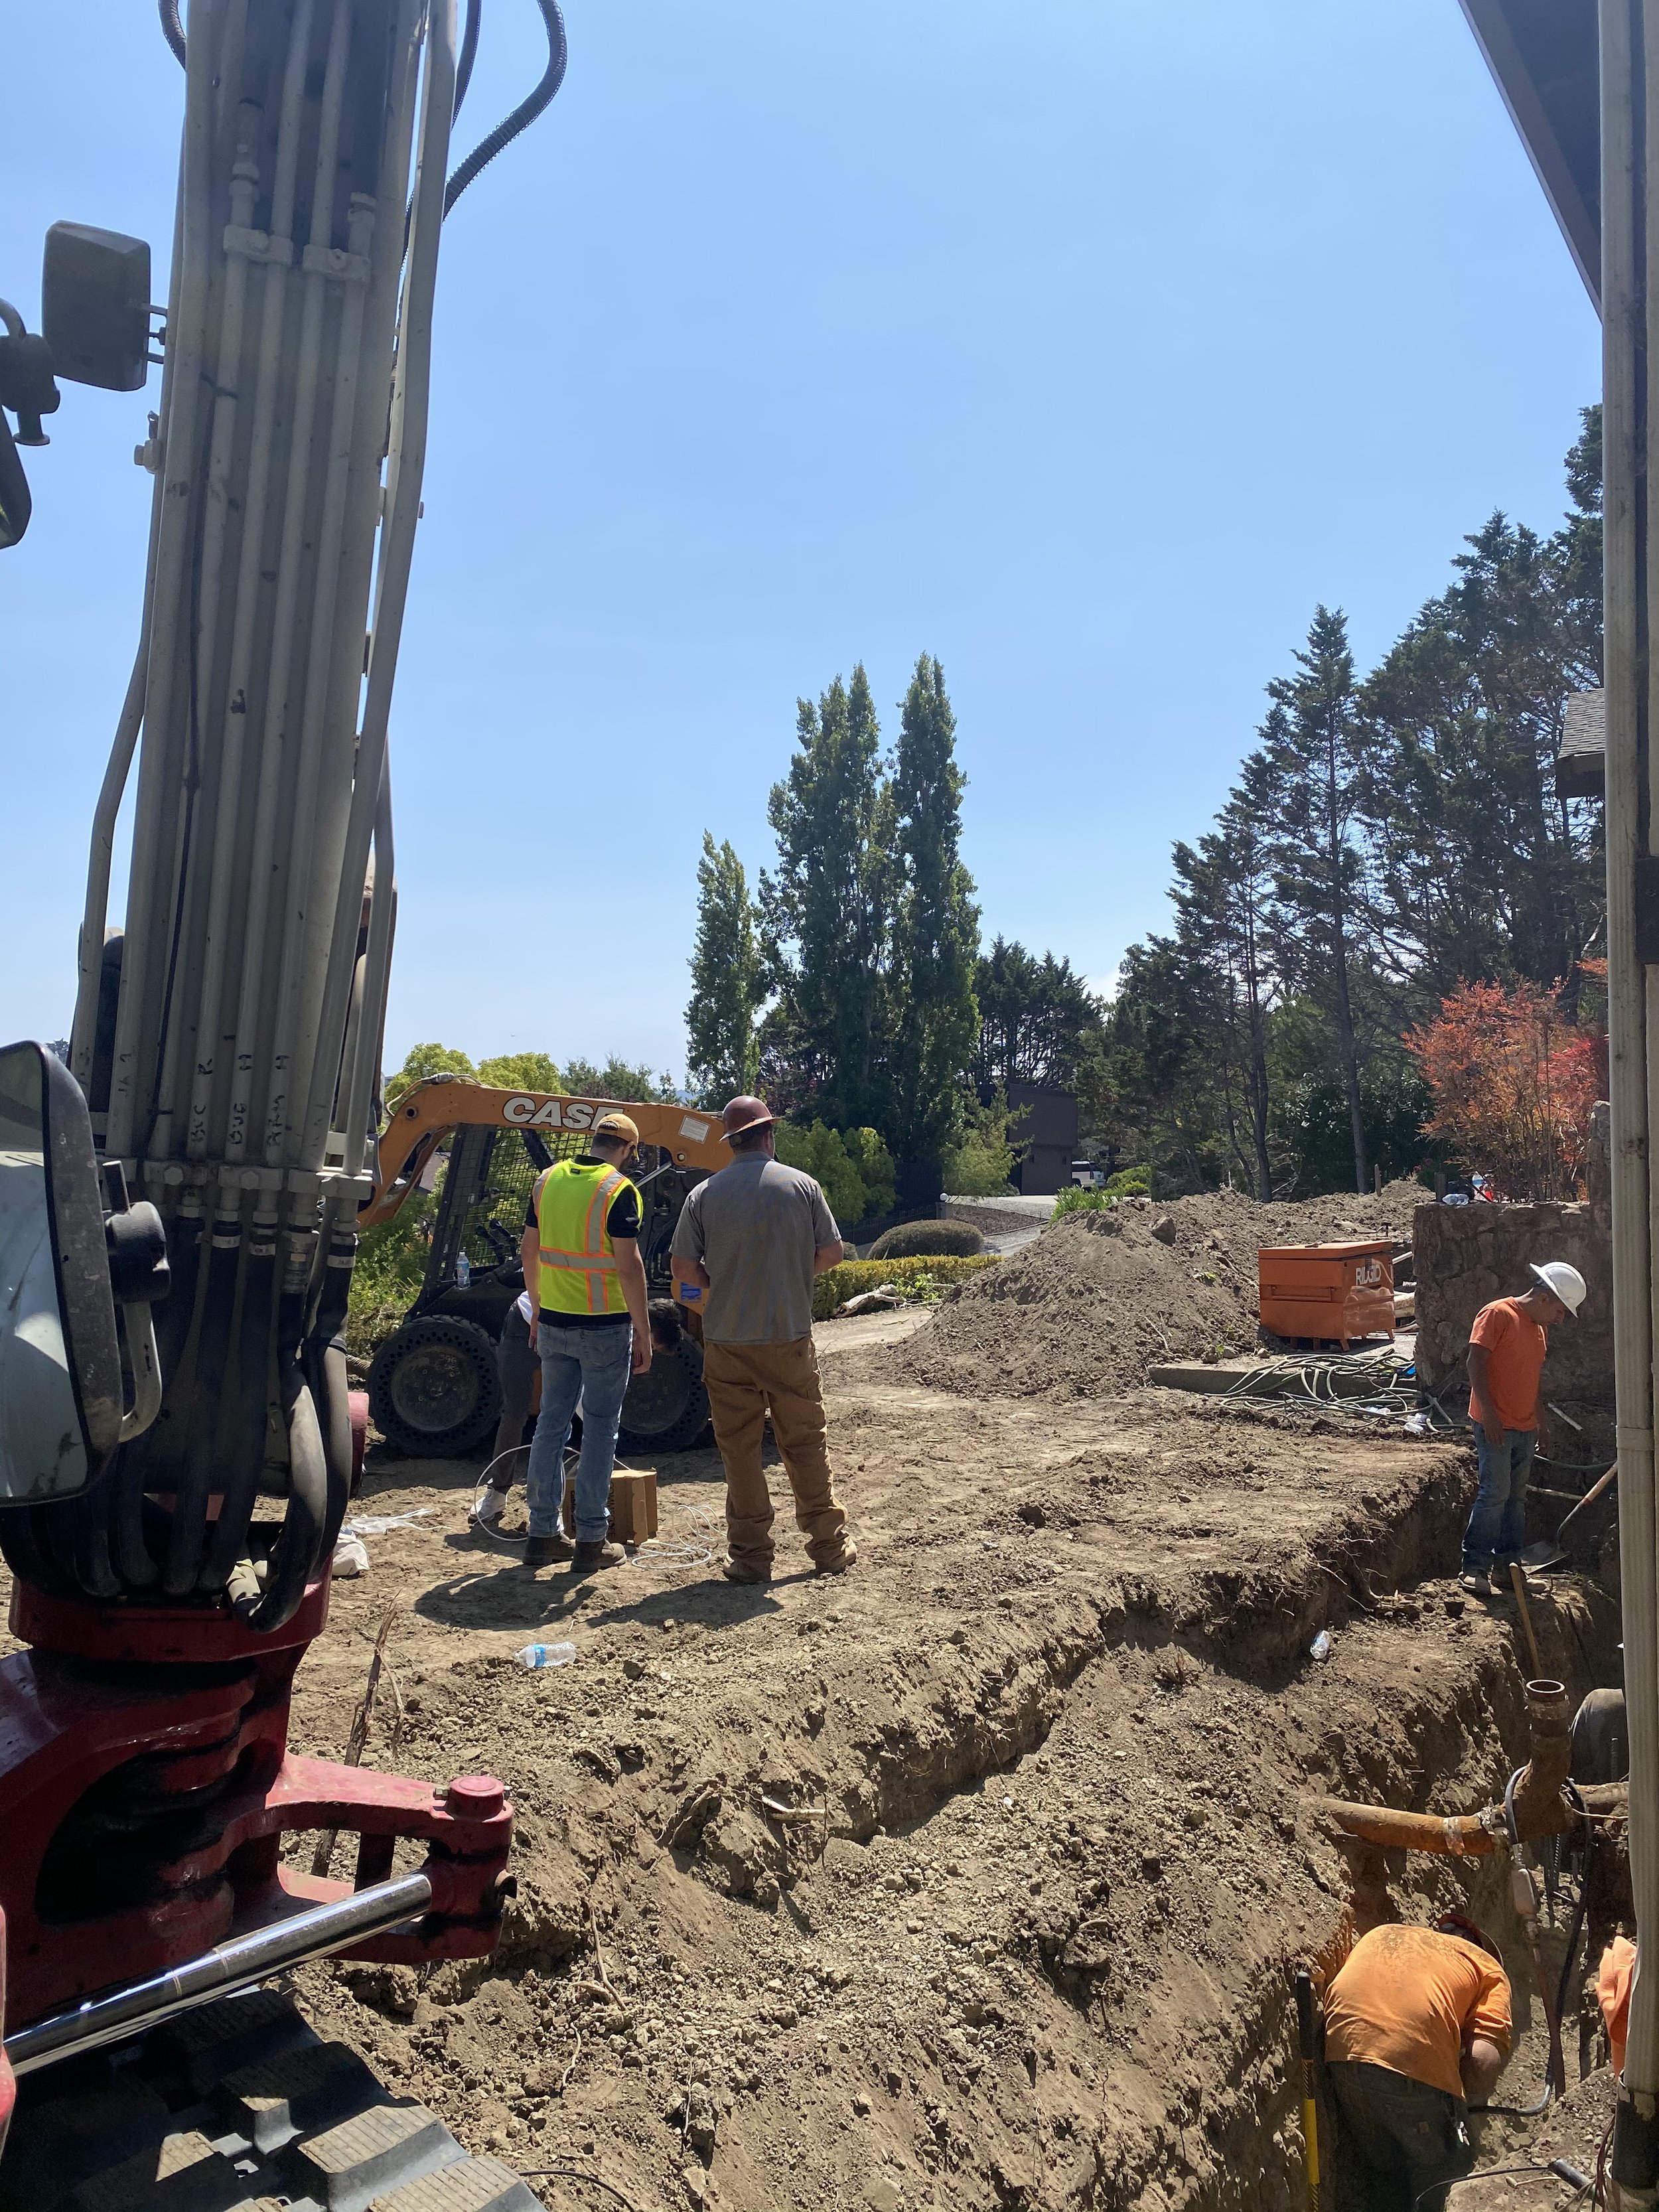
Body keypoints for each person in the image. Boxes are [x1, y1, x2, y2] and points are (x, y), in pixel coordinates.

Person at [670, 1094, 855, 1584]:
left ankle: (752, 1559)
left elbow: (682, 1275)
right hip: (788, 1337)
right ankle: (829, 1549)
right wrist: (797, 1274)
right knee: (805, 1443)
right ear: (769, 1134)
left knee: (740, 1451)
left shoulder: (703, 1196)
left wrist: (711, 1299)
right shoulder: (802, 1186)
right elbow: (833, 1252)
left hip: (727, 1343)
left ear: (732, 1141)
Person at [518, 1111, 652, 1571]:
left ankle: (542, 1534)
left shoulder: (546, 1181)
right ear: (628, 1150)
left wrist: (537, 1308)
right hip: (604, 1327)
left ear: (594, 1139)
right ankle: (592, 1540)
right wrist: (644, 1330)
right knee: (598, 1427)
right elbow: (630, 1267)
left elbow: (529, 1250)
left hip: (554, 1321)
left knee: (550, 1425)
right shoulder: (619, 1190)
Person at [1322, 1914, 1512, 2212]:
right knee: (1443, 2172)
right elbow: (1482, 2065)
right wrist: (1455, 2097)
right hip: (1411, 2065)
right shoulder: (1487, 1967)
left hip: (1339, 2052)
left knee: (1384, 2170)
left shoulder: (1385, 1932)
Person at [1459, 1260, 1587, 1597]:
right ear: (1544, 1298)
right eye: (1560, 1311)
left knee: (1516, 1499)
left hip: (1524, 1426)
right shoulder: (1498, 1314)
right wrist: (1490, 1417)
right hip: (1496, 1424)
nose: (1560, 1319)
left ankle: (1509, 1569)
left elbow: (1532, 1381)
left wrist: (1541, 1425)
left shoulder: (1538, 1329)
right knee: (1495, 1494)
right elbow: (1475, 1363)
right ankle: (1475, 1567)